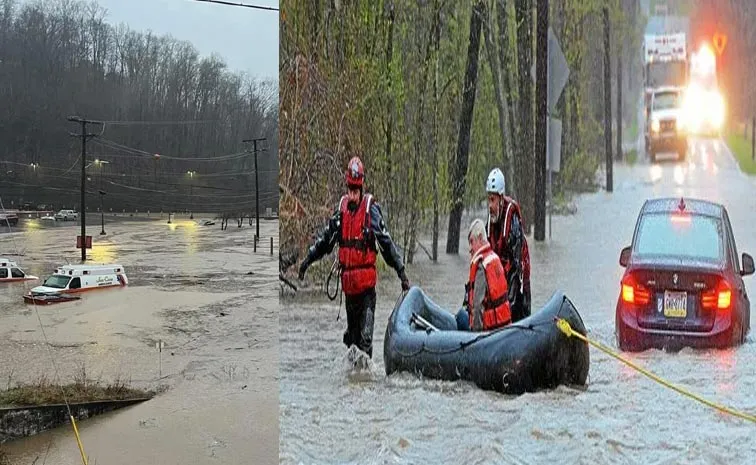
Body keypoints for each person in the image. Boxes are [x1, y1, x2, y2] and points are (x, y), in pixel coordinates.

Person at [298, 156, 410, 358]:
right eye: (350, 190)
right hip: (350, 293)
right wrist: (307, 261)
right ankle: (353, 380)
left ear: (361, 188)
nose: (352, 195)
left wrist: (401, 272)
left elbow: (386, 244)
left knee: (366, 340)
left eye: (356, 191)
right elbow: (325, 241)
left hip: (366, 293)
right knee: (353, 342)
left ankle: (365, 383)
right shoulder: (341, 214)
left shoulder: (371, 212)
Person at [484, 168, 531, 322]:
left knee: (519, 310)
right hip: (502, 272)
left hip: (518, 275)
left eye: (493, 200)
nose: (490, 205)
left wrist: (508, 304)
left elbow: (516, 270)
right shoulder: (490, 222)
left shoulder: (512, 224)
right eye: (488, 200)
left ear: (501, 198)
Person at [455, 219, 512, 331]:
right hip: (503, 326)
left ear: (480, 238)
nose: (470, 249)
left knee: (461, 316)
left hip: (488, 332)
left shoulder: (481, 266)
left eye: (472, 242)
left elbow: (477, 306)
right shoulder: (494, 258)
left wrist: (476, 336)